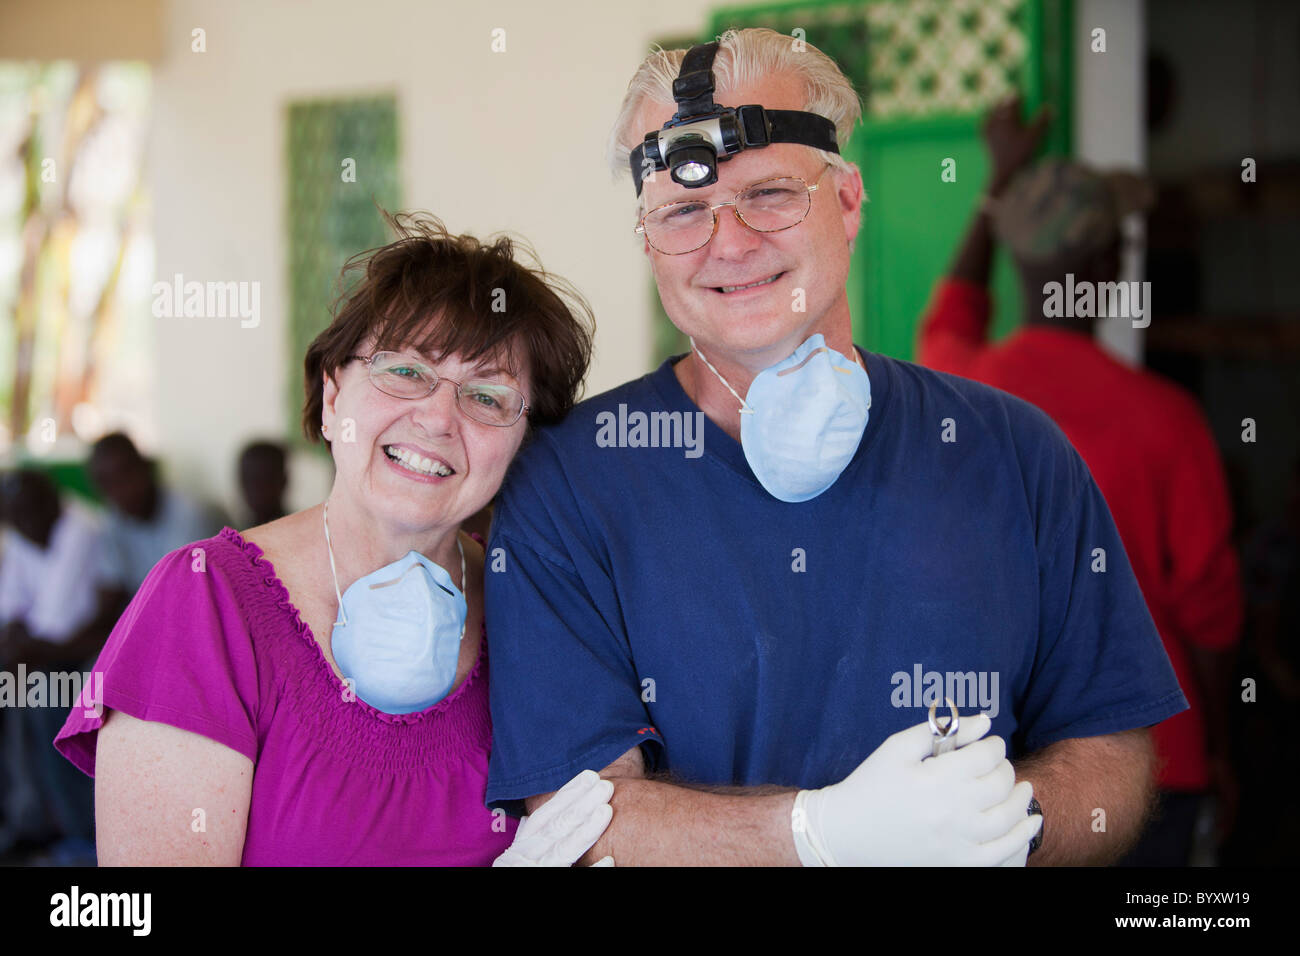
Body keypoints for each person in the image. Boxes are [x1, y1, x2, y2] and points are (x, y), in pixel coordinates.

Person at [481, 28, 1188, 866]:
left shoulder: (1017, 452)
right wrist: (818, 833)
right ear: (647, 243)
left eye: (771, 193)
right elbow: (578, 818)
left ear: (848, 202)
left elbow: (1112, 749)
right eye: (683, 211)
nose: (731, 242)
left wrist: (1002, 826)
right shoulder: (564, 483)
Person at [54, 213, 612, 865]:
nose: (437, 417)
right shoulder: (204, 602)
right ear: (331, 395)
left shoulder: (539, 610)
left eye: (488, 396)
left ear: (522, 446)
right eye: (404, 370)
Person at [916, 98, 1243, 866]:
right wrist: (1226, 747)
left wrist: (998, 184)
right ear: (1108, 268)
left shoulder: (954, 384)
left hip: (1002, 761)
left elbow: (954, 305)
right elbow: (1212, 618)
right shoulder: (1168, 419)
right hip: (1154, 761)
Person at [0, 470, 112, 861]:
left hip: (95, 656)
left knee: (41, 697)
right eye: (15, 515)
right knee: (14, 693)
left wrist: (18, 652)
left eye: (32, 508)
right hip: (47, 658)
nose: (26, 520)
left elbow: (56, 624)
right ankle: (27, 820)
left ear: (53, 501)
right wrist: (16, 649)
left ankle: (79, 832)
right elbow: (11, 611)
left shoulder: (81, 528)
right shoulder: (22, 537)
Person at [89, 432, 226, 596]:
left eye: (125, 475)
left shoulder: (190, 514)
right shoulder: (112, 519)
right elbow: (112, 589)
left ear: (146, 468)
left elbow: (182, 594)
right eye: (107, 482)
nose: (119, 490)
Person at [237, 440, 289, 527]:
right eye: (249, 479)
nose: (255, 488)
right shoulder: (234, 535)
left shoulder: (302, 532)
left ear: (283, 481)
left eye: (265, 478)